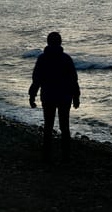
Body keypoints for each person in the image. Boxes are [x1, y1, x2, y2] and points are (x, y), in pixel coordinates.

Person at [28, 31, 80, 162]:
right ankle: (66, 156)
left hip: (48, 96)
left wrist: (32, 96)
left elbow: (36, 79)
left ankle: (46, 155)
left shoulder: (42, 58)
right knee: (64, 126)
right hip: (64, 96)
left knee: (48, 126)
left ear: (48, 42)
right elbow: (73, 80)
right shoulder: (66, 58)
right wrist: (76, 97)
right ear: (60, 42)